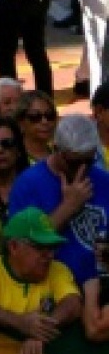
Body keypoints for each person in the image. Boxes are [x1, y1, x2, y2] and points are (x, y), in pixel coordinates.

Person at [0, 207, 81, 354]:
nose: (49, 255)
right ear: (14, 247)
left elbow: (73, 303)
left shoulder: (57, 270)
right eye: (40, 247)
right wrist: (19, 322)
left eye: (52, 247)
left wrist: (40, 331)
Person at [8, 112, 109, 289]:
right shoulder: (28, 184)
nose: (83, 169)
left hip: (102, 288)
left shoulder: (103, 180)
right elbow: (21, 249)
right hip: (52, 292)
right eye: (75, 163)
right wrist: (68, 207)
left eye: (89, 161)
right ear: (56, 149)